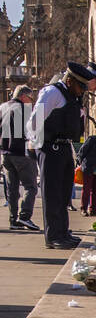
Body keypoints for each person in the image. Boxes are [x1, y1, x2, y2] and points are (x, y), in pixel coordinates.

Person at [27, 61, 95, 248]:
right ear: (70, 81)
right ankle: (53, 236)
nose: (82, 91)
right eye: (80, 86)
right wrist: (35, 144)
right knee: (53, 193)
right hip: (50, 147)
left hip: (64, 147)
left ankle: (63, 231)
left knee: (64, 193)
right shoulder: (52, 93)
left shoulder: (72, 97)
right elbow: (34, 121)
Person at [1, 84, 40, 231]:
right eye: (31, 98)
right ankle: (25, 217)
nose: (32, 101)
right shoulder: (25, 109)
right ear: (23, 96)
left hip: (5, 154)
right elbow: (33, 132)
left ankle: (13, 219)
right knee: (31, 187)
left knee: (12, 188)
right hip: (21, 153)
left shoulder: (3, 107)